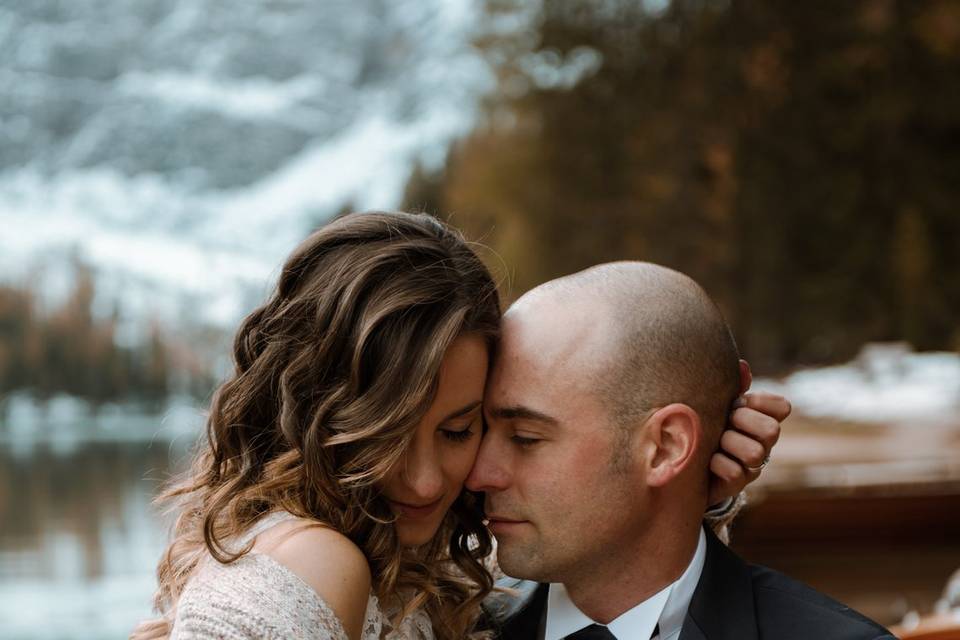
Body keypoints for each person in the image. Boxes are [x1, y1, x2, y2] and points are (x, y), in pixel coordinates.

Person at [132, 212, 787, 640]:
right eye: (383, 433)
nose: (425, 480)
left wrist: (688, 489)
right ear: (315, 412)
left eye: (456, 431)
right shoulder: (314, 561)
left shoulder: (410, 562)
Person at [469, 261, 894, 640]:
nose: (479, 474)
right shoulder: (451, 629)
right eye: (477, 429)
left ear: (666, 446)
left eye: (525, 438)